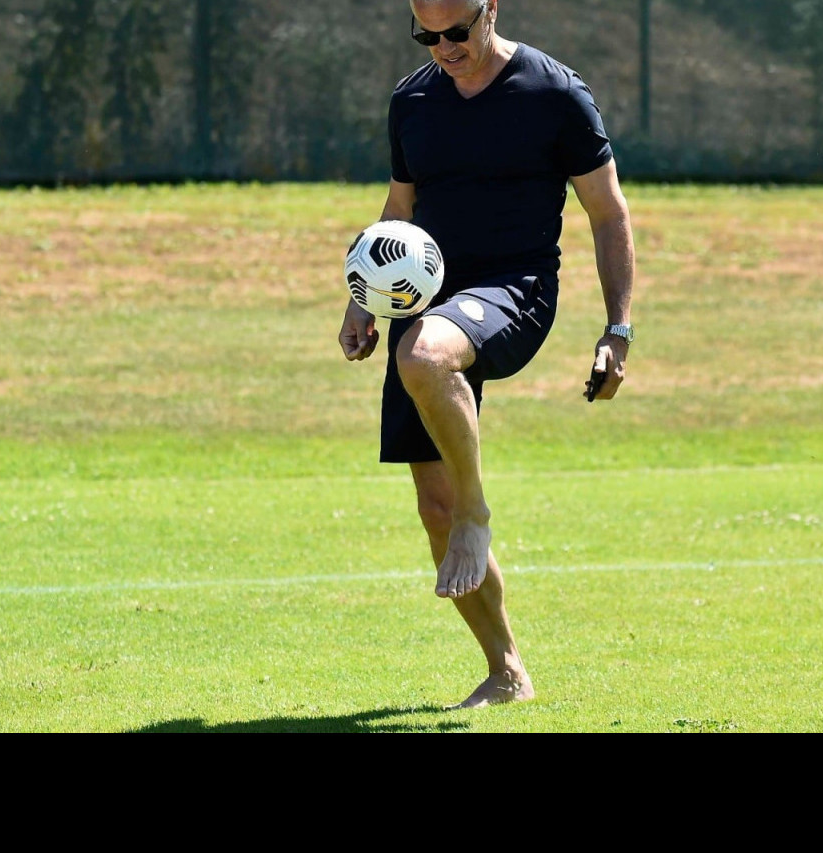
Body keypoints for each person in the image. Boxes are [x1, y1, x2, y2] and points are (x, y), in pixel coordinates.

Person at [338, 0, 635, 710]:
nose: (443, 46)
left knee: (424, 358)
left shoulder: (555, 92)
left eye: (456, 31)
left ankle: (478, 512)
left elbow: (608, 213)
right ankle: (507, 671)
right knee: (433, 505)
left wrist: (617, 330)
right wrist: (363, 298)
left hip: (516, 290)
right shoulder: (412, 101)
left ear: (490, 9)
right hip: (425, 299)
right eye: (427, 34)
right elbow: (399, 210)